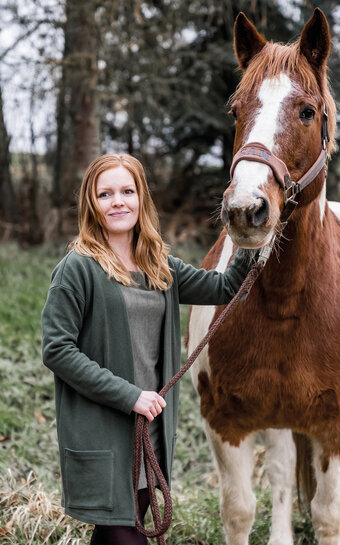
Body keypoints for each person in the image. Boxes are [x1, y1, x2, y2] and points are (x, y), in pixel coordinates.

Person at [41, 154, 254, 545]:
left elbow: (224, 289)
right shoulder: (78, 268)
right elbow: (57, 349)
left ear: (142, 198)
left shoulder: (159, 266)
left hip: (148, 431)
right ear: (92, 203)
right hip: (106, 431)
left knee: (118, 533)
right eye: (105, 194)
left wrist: (250, 235)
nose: (117, 201)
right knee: (125, 536)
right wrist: (131, 396)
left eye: (127, 190)